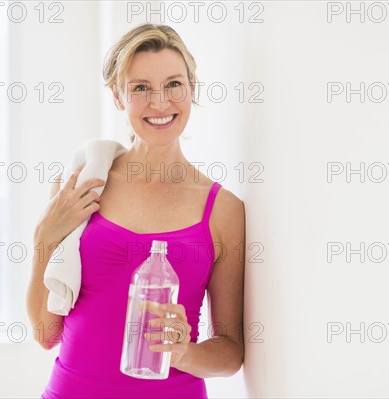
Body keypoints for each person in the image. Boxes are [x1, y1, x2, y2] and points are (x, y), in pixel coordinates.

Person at [26, 23, 246, 398]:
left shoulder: (223, 210)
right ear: (117, 95)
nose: (160, 103)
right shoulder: (81, 185)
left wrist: (184, 352)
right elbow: (46, 333)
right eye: (140, 88)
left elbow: (230, 350)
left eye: (174, 84)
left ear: (192, 88)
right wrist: (44, 236)